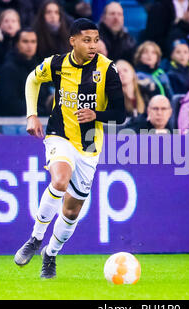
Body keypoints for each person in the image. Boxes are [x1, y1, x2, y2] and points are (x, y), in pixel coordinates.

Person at [14, 18, 126, 279]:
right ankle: (35, 238)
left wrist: (96, 114)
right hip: (59, 135)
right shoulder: (56, 63)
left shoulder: (108, 69)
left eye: (96, 40)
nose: (93, 45)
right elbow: (32, 79)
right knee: (60, 181)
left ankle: (50, 255)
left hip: (89, 146)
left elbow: (120, 114)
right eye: (87, 40)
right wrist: (32, 115)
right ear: (72, 41)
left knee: (72, 210)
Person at [0, 28, 51, 116]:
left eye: (33, 42)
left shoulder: (39, 67)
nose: (30, 46)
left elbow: (45, 95)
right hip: (16, 121)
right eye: (25, 41)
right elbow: (11, 103)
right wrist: (40, 112)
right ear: (16, 44)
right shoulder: (8, 69)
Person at [0, 9, 21, 77]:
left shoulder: (23, 42)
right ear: (0, 25)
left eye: (13, 21)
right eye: (6, 21)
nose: (10, 24)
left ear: (18, 25)